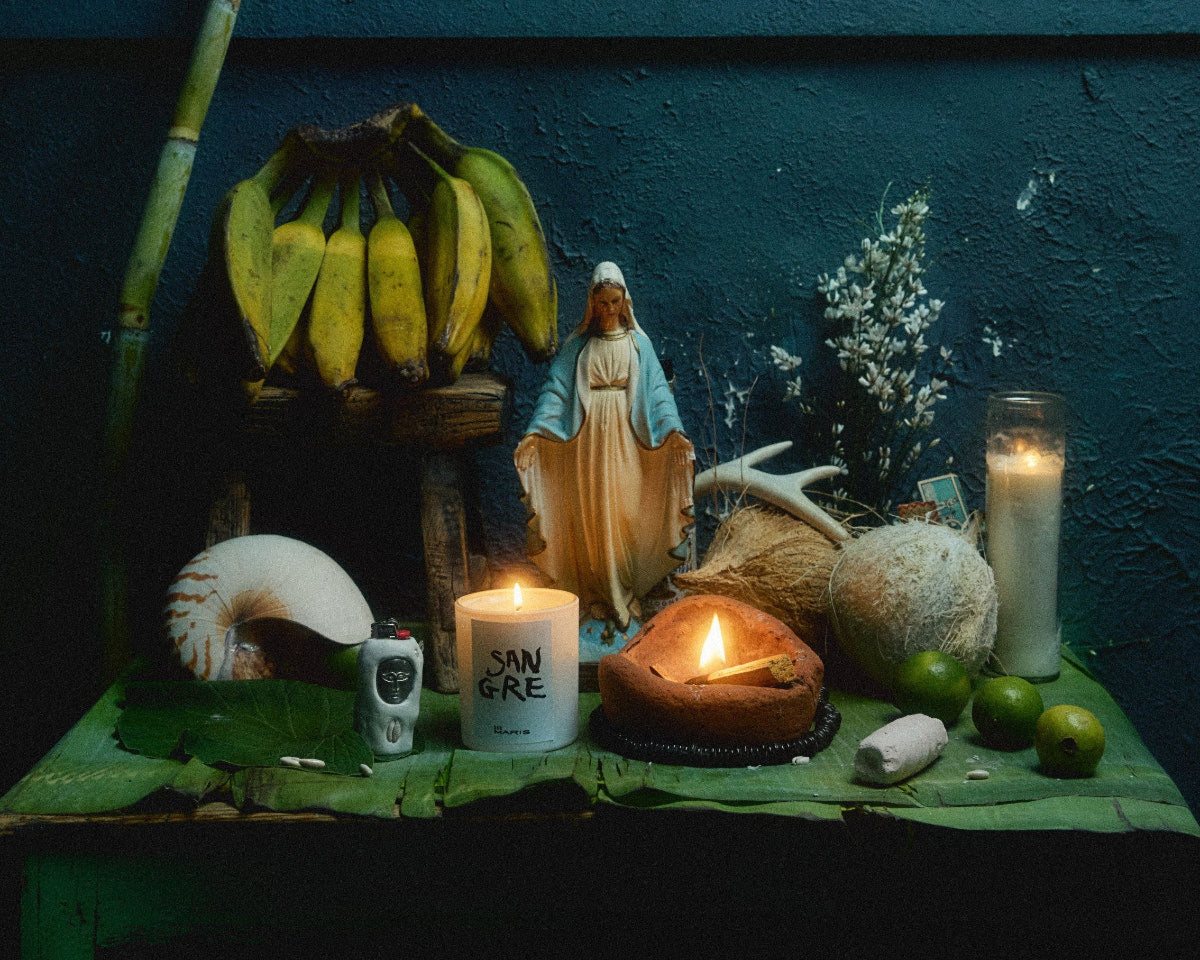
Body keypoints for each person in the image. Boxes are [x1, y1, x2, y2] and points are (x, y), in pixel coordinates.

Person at [514, 262, 694, 629]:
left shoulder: (638, 345)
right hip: (587, 445)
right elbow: (556, 391)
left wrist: (674, 432)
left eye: (615, 301)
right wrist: (535, 432)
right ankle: (594, 595)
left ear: (624, 302)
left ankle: (625, 593)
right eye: (602, 303)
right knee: (590, 519)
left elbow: (658, 394)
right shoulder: (578, 347)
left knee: (626, 515)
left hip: (626, 442)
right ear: (592, 305)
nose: (609, 309)